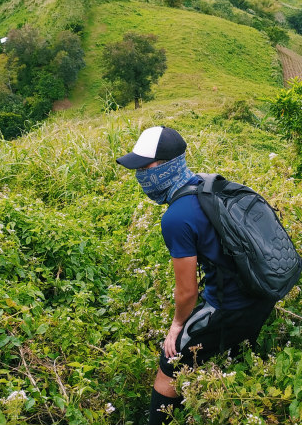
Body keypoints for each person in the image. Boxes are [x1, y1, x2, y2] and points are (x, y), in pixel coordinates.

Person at [116, 126, 276, 425]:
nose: (139, 175)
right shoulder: (209, 184)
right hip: (262, 291)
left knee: (170, 364)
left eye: (144, 167)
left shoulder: (176, 217)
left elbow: (187, 292)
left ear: (166, 166)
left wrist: (177, 325)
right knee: (239, 352)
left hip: (231, 304)